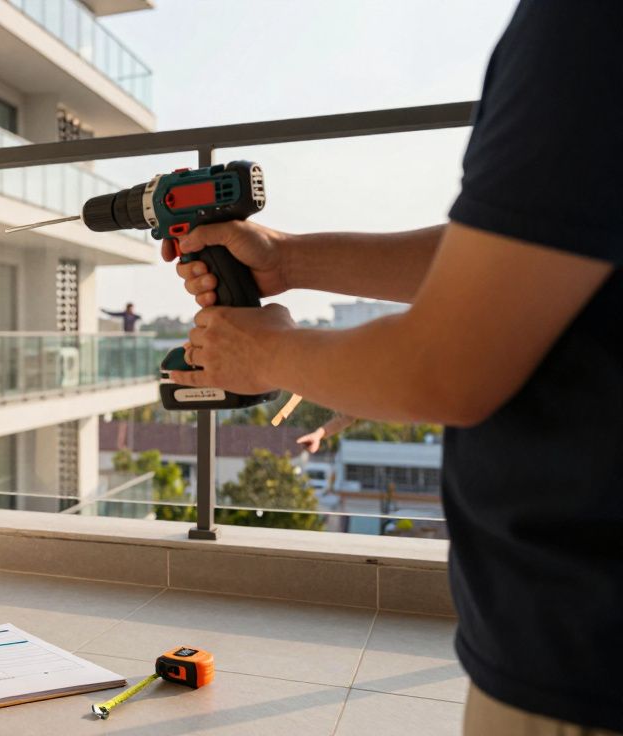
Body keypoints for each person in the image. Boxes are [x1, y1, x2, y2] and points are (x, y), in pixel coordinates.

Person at [167, 2, 622, 733]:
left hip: (584, 661)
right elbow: (514, 253)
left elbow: (447, 366)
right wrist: (287, 260)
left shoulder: (586, 24)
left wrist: (267, 352)